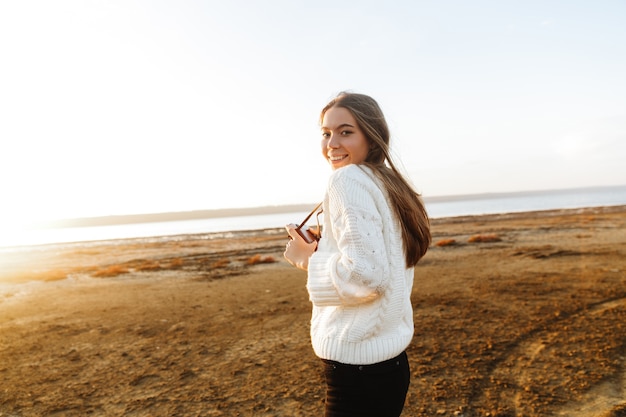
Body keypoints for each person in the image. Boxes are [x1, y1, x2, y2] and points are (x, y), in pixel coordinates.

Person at [284, 92, 431, 417]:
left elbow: (366, 275)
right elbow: (383, 259)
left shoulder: (347, 180)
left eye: (345, 131)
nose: (332, 143)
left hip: (357, 368)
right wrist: (327, 248)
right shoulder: (388, 182)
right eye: (326, 133)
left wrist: (307, 259)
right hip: (389, 363)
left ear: (371, 134)